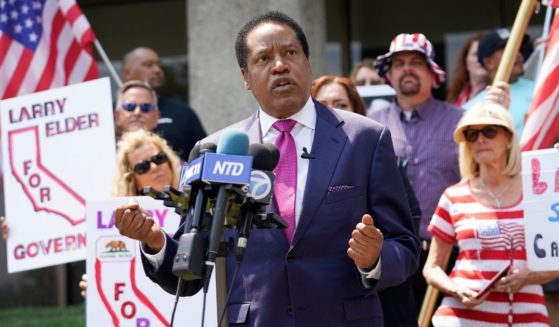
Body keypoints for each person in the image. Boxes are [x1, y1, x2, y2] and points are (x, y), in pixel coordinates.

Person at [114, 11, 419, 326]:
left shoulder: (365, 139)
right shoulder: (216, 150)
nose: (280, 65)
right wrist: (155, 242)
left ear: (308, 63)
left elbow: (406, 247)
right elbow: (190, 272)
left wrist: (374, 259)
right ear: (245, 77)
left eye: (290, 53)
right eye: (263, 58)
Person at [423, 100, 559, 326]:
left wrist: (527, 276)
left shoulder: (539, 190)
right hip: (462, 317)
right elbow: (432, 267)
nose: (481, 139)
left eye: (489, 131)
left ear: (508, 139)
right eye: (472, 135)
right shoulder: (453, 196)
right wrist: (456, 289)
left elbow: (556, 259)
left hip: (526, 317)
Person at [312, 74, 421, 326]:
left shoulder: (377, 153)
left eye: (340, 104)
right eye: (322, 104)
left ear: (356, 110)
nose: (331, 111)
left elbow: (407, 228)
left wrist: (373, 258)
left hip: (380, 303)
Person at [368, 32, 463, 311]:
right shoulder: (370, 127)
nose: (407, 68)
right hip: (392, 254)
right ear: (389, 74)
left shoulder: (461, 122)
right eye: (399, 63)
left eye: (416, 62)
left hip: (447, 254)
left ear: (433, 73)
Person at [78, 129, 182, 297]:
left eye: (159, 158)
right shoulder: (119, 221)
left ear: (169, 161)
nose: (155, 167)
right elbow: (117, 271)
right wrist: (99, 286)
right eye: (142, 167)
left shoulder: (198, 206)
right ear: (133, 179)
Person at [122, 47, 207, 161]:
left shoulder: (182, 112)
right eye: (148, 65)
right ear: (127, 73)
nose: (157, 70)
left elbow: (204, 156)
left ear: (156, 115)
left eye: (158, 64)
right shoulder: (107, 114)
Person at [463, 28, 535, 137]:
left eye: (518, 48)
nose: (518, 54)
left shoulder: (543, 89)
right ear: (489, 62)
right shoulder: (472, 109)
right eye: (508, 50)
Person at [447, 32, 488, 107]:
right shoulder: (458, 92)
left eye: (485, 54)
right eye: (475, 54)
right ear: (465, 61)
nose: (480, 59)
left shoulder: (497, 91)